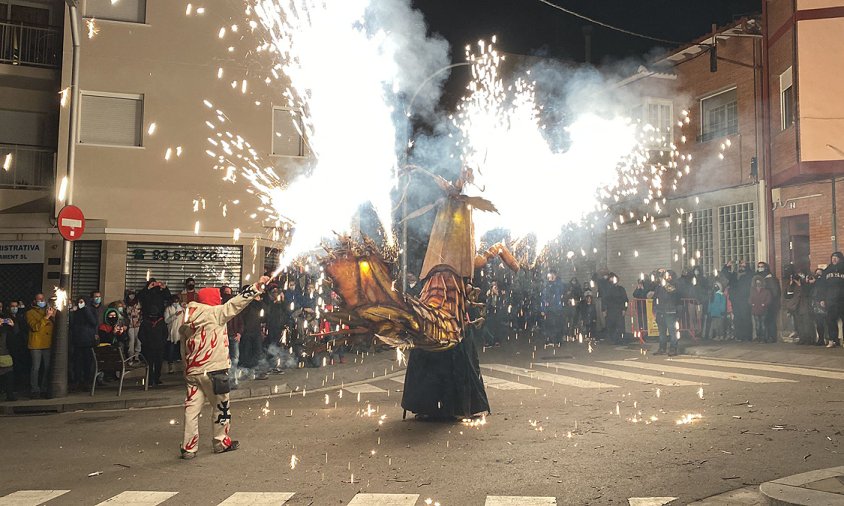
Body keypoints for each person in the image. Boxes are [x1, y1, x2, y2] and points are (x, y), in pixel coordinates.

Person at [180, 276, 269, 459]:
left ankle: (189, 447)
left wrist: (186, 367)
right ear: (214, 300)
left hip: (193, 371)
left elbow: (183, 346)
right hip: (214, 371)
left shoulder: (188, 316)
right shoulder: (216, 313)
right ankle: (220, 441)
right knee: (221, 407)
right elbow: (238, 303)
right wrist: (257, 287)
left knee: (191, 409)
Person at [137, 278, 172, 386]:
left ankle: (156, 378)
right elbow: (140, 297)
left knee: (158, 362)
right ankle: (151, 379)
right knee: (150, 361)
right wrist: (147, 288)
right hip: (147, 320)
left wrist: (164, 288)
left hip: (159, 321)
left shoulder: (160, 293)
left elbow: (169, 298)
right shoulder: (146, 293)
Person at [26, 294, 55, 398]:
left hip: (47, 343)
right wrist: (46, 317)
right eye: (39, 299)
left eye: (43, 299)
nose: (42, 300)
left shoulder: (49, 310)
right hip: (36, 344)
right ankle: (35, 389)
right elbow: (35, 327)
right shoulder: (30, 313)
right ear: (34, 301)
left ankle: (44, 388)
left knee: (47, 367)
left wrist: (51, 316)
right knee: (36, 367)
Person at [70, 296, 98, 391]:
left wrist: (86, 309)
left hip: (88, 341)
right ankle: (77, 380)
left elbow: (93, 322)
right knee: (77, 363)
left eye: (82, 302)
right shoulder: (76, 312)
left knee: (87, 363)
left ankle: (86, 381)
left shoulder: (91, 310)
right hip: (78, 341)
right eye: (79, 301)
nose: (80, 303)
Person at [722, 260, 753, 341]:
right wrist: (727, 266)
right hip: (735, 299)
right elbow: (726, 274)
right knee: (737, 318)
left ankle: (747, 336)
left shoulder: (748, 275)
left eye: (743, 266)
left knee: (745, 318)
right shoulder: (735, 275)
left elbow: (751, 274)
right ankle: (739, 336)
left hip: (744, 299)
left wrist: (746, 265)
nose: (741, 267)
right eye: (740, 265)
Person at [220, 286, 243, 387]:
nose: (228, 295)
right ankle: (225, 381)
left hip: (234, 337)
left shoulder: (235, 309)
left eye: (229, 293)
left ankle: (233, 379)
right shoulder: (220, 308)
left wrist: (239, 333)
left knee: (234, 359)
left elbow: (241, 322)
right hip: (224, 337)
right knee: (224, 360)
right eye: (226, 293)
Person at [653, 270, 681, 356]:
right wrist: (655, 310)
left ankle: (673, 348)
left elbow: (672, 291)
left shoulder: (674, 285)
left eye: (668, 275)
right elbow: (655, 298)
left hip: (670, 311)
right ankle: (662, 348)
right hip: (660, 311)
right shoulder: (659, 286)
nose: (667, 277)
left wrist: (664, 283)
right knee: (662, 332)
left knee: (672, 331)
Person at [820, 252, 844, 348]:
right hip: (830, 299)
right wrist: (822, 298)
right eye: (833, 257)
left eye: (836, 258)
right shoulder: (827, 270)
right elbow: (822, 286)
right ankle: (832, 340)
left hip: (842, 299)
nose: (834, 259)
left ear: (840, 259)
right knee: (830, 320)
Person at [783, 273, 815, 345]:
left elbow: (807, 293)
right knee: (799, 324)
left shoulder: (806, 285)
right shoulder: (792, 286)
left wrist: (801, 285)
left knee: (807, 324)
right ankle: (802, 339)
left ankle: (809, 339)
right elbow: (787, 296)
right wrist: (790, 285)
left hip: (805, 307)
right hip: (796, 308)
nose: (796, 280)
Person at [755, 261, 781, 343]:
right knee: (763, 321)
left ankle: (771, 337)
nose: (760, 268)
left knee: (770, 321)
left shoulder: (770, 278)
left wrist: (769, 301)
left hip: (770, 304)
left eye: (762, 266)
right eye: (759, 266)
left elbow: (775, 292)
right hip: (761, 303)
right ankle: (764, 337)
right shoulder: (758, 278)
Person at [540, 270, 565, 344]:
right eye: (550, 275)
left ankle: (558, 340)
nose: (551, 276)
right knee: (549, 324)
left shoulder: (559, 284)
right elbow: (543, 298)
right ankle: (550, 339)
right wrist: (543, 309)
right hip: (549, 309)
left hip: (558, 308)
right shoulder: (547, 286)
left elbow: (561, 292)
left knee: (558, 324)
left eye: (553, 275)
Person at [603, 273, 628, 344]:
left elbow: (625, 300)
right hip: (610, 310)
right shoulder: (607, 290)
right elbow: (604, 300)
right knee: (611, 326)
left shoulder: (621, 289)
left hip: (619, 310)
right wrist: (604, 309)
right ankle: (613, 339)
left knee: (620, 326)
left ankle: (621, 339)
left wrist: (624, 309)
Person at [164, 294, 184, 374]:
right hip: (172, 331)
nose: (176, 303)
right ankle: (170, 365)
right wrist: (175, 315)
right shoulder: (168, 309)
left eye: (177, 301)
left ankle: (182, 366)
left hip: (180, 331)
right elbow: (166, 320)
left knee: (181, 349)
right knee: (171, 348)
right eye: (174, 302)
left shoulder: (182, 309)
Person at [750, 276, 772, 343]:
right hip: (755, 310)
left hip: (763, 310)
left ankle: (763, 338)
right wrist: (752, 303)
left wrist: (764, 304)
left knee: (763, 325)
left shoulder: (766, 291)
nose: (758, 284)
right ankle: (758, 338)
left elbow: (769, 300)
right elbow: (750, 299)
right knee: (757, 325)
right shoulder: (753, 291)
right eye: (757, 282)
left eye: (759, 282)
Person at [808, 269, 827, 346]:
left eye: (819, 273)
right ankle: (820, 339)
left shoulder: (823, 282)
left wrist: (823, 299)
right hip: (814, 303)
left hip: (821, 303)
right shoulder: (814, 283)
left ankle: (827, 339)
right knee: (818, 322)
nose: (817, 275)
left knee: (823, 322)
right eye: (816, 273)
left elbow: (824, 290)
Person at [0, 314, 16, 401]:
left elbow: (13, 340)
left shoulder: (6, 331)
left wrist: (12, 326)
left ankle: (9, 394)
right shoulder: (5, 332)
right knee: (8, 375)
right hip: (5, 356)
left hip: (5, 356)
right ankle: (10, 395)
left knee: (8, 375)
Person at [125, 289, 142, 363]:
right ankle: (130, 356)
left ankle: (137, 356)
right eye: (130, 294)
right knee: (131, 341)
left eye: (133, 294)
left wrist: (139, 321)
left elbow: (141, 313)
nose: (132, 295)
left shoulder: (138, 303)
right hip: (130, 325)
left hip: (137, 324)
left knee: (138, 340)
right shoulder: (125, 303)